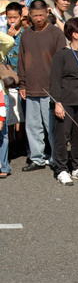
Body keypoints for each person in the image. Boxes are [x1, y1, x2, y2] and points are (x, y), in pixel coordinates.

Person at [18, 0, 66, 172]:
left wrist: (59, 86)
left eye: (41, 15)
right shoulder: (26, 34)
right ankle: (37, 158)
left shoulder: (55, 33)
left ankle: (56, 159)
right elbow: (21, 60)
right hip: (30, 86)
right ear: (30, 15)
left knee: (51, 126)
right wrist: (22, 83)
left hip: (50, 87)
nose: (38, 18)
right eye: (35, 15)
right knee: (32, 126)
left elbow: (62, 61)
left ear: (47, 13)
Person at [50, 17, 78, 186]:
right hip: (65, 100)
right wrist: (57, 102)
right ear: (75, 34)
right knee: (62, 135)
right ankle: (62, 169)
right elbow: (55, 80)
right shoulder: (61, 54)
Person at [5, 1, 26, 159]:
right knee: (10, 114)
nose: (12, 20)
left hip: (23, 77)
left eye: (15, 17)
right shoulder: (4, 34)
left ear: (21, 17)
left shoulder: (26, 34)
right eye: (9, 17)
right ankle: (11, 143)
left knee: (23, 113)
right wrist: (8, 37)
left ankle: (21, 142)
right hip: (8, 78)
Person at [0, 30, 14, 178]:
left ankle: (4, 165)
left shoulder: (0, 52)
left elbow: (10, 41)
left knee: (2, 132)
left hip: (1, 96)